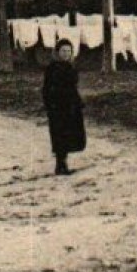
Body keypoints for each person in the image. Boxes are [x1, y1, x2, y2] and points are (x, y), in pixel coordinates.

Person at [42, 38, 86, 175]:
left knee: (69, 135)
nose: (66, 53)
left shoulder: (71, 67)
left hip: (71, 106)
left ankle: (63, 163)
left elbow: (73, 87)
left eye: (68, 51)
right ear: (57, 52)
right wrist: (51, 105)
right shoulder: (52, 68)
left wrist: (78, 102)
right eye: (63, 51)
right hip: (58, 107)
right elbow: (47, 88)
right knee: (59, 135)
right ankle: (60, 165)